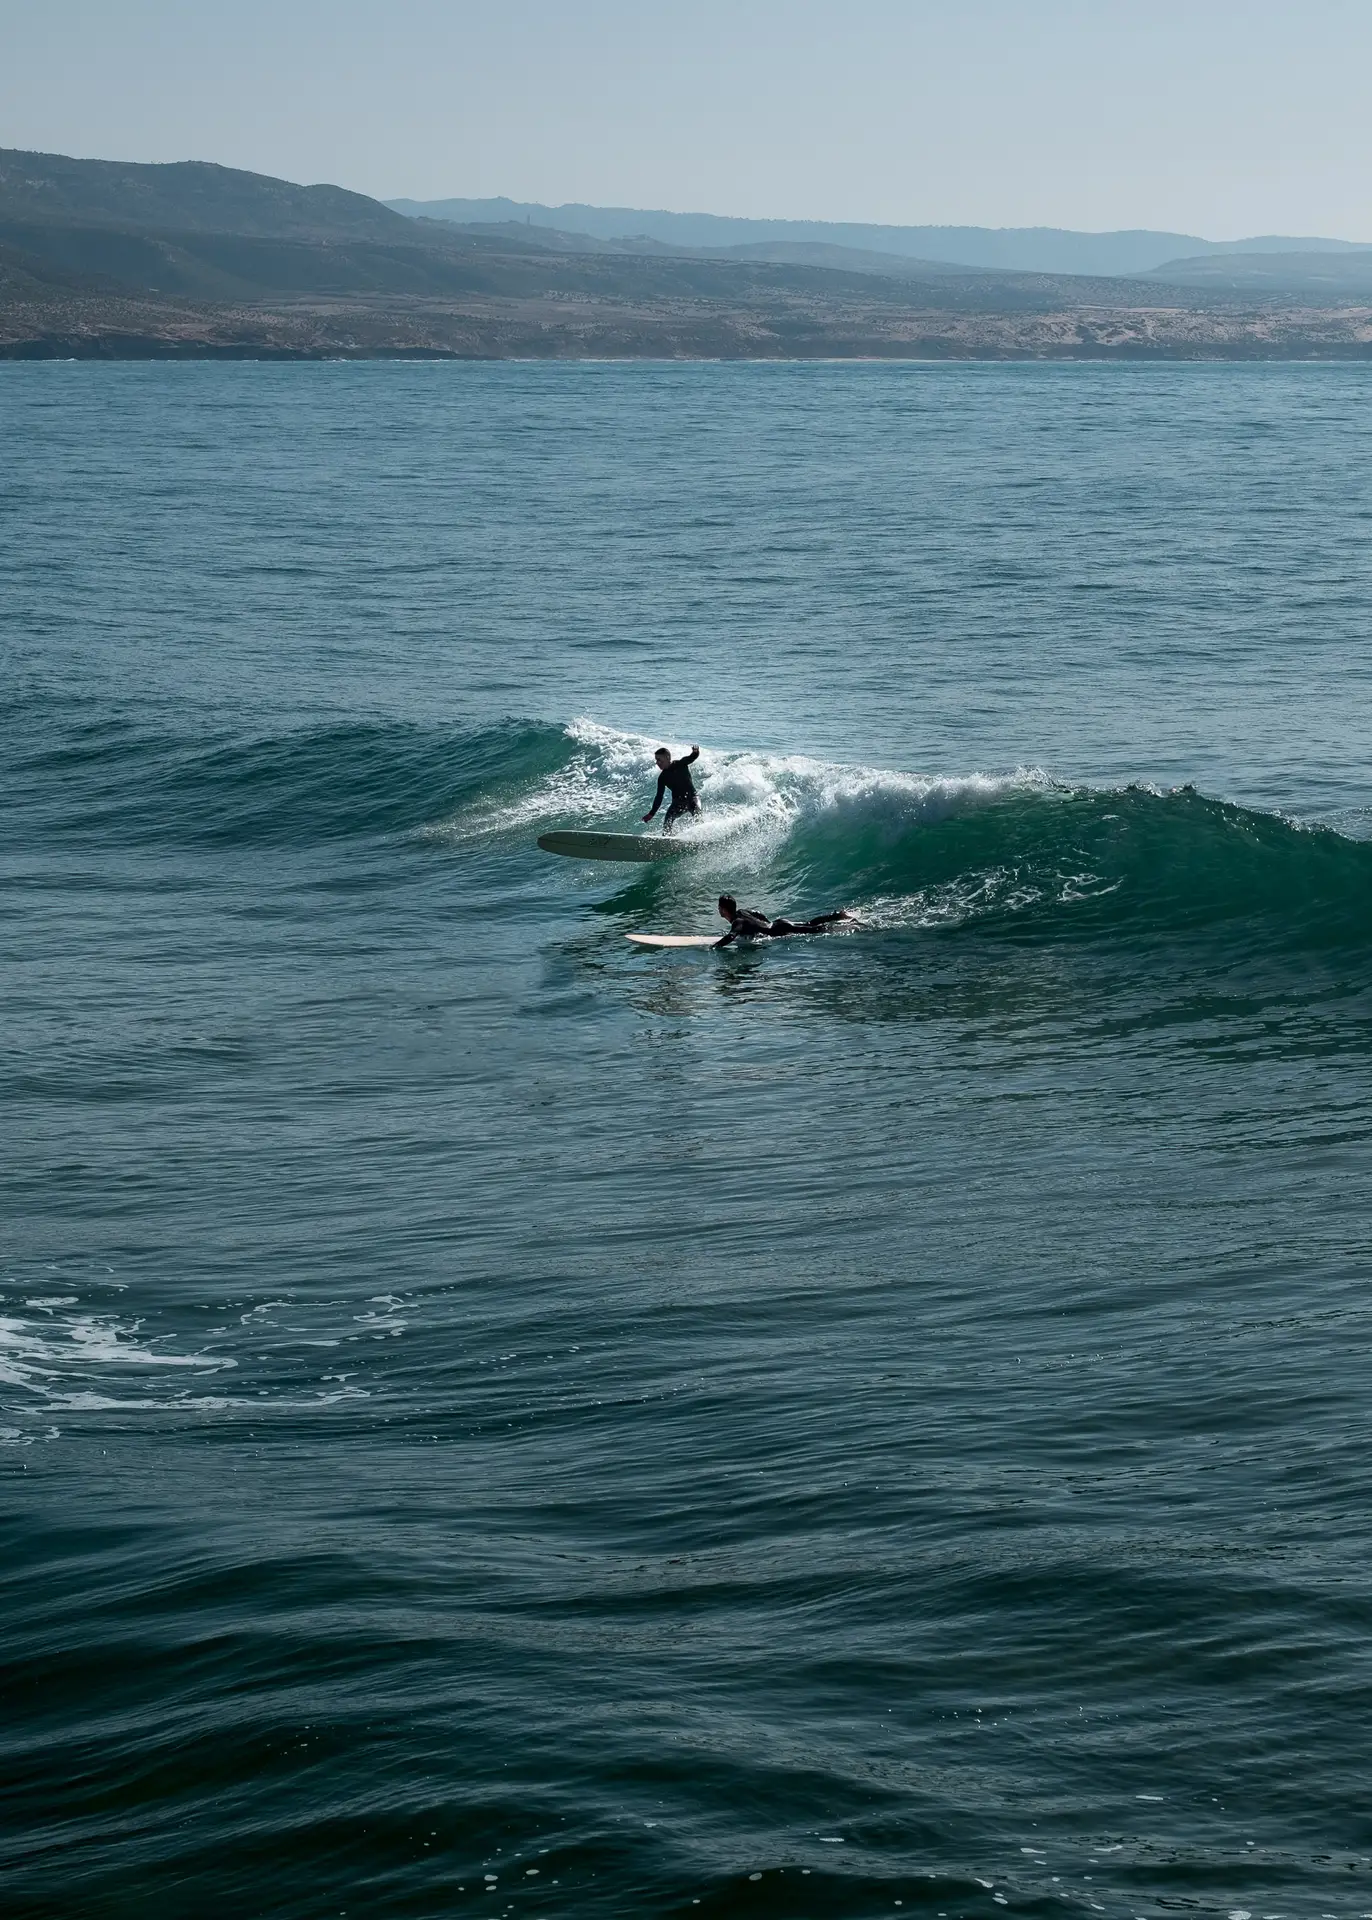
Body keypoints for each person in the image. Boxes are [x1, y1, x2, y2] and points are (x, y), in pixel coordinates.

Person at [714, 895, 853, 948]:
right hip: (778, 923)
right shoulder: (742, 912)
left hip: (779, 929)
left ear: (724, 910)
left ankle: (849, 926)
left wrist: (714, 947)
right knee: (810, 925)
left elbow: (730, 936)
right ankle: (838, 916)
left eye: (719, 907)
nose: (718, 909)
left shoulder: (737, 922)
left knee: (817, 930)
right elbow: (758, 914)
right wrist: (766, 925)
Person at [643, 744, 701, 833]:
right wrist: (652, 813)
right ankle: (667, 840)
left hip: (692, 798)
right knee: (667, 823)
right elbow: (659, 796)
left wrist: (695, 752)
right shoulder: (662, 777)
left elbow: (691, 757)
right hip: (678, 803)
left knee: (698, 815)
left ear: (667, 757)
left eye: (659, 760)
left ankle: (701, 835)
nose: (657, 762)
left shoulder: (680, 764)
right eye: (656, 760)